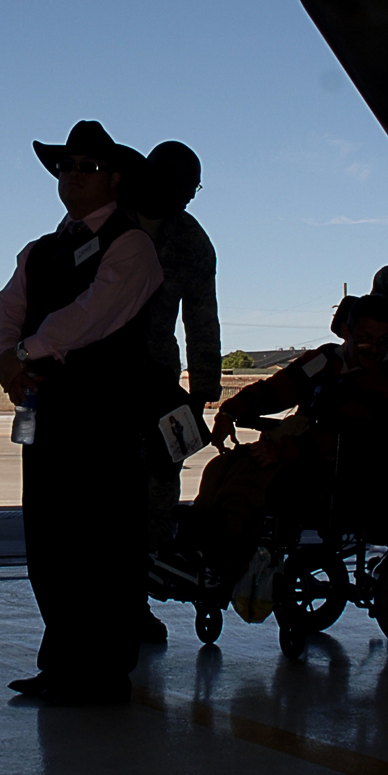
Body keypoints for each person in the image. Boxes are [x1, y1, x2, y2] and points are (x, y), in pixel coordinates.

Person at [0, 121, 162, 706]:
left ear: (114, 178)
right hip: (50, 410)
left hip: (105, 414)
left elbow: (96, 313)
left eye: (85, 167)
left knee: (105, 540)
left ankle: (104, 668)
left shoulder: (131, 244)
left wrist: (24, 353)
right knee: (50, 538)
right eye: (65, 166)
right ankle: (63, 661)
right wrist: (9, 359)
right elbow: (7, 307)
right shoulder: (42, 249)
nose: (71, 176)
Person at [197, 295, 388, 564]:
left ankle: (218, 560)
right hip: (299, 452)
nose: (374, 349)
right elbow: (276, 390)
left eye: (383, 341)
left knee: (246, 485)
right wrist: (230, 412)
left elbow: (352, 430)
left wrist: (284, 450)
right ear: (346, 331)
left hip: (341, 468)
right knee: (219, 468)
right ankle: (196, 545)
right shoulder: (323, 360)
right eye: (365, 338)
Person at [131, 140, 221, 643]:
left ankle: (137, 597)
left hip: (159, 381)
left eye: (193, 190)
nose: (187, 198)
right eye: (181, 186)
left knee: (159, 487)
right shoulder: (109, 217)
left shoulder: (192, 242)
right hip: (100, 374)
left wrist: (201, 395)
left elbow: (202, 321)